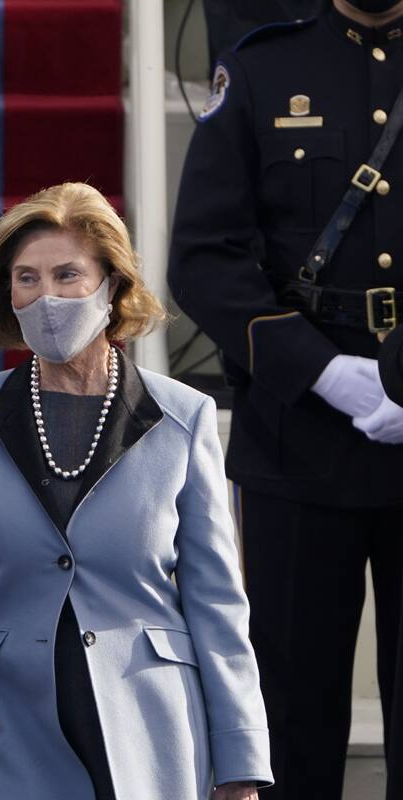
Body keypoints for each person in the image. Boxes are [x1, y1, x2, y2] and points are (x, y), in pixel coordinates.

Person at [0, 183, 272, 799]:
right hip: (10, 712)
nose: (47, 296)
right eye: (26, 278)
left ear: (111, 286)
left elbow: (217, 599)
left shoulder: (182, 416)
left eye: (68, 275)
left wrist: (243, 764)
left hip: (151, 714)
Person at [168, 1, 403, 795]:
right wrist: (326, 373)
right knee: (291, 706)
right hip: (299, 435)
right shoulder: (264, 68)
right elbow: (204, 258)